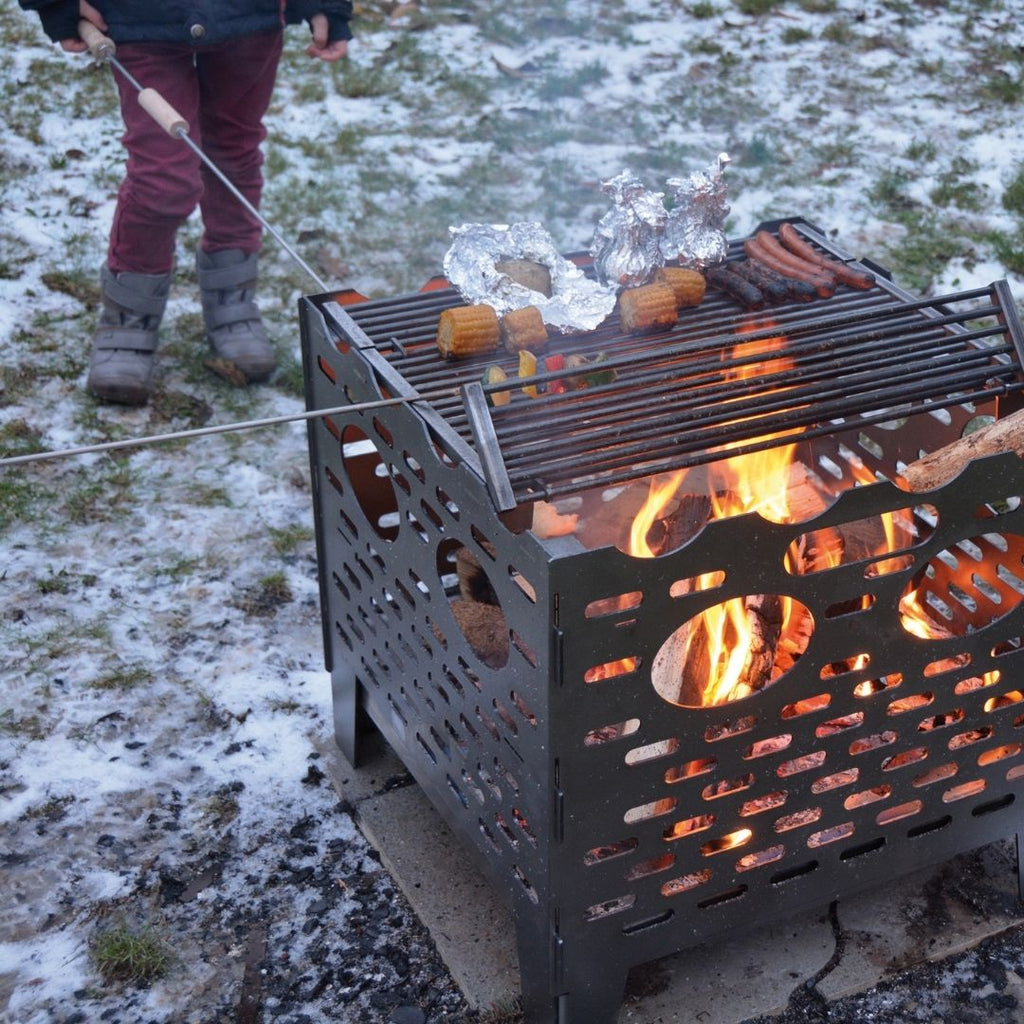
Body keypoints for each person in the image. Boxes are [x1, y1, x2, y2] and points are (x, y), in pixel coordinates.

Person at [18, 0, 352, 405]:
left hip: (249, 20)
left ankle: (234, 298)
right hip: (142, 22)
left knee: (234, 158)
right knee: (162, 176)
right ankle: (128, 317)